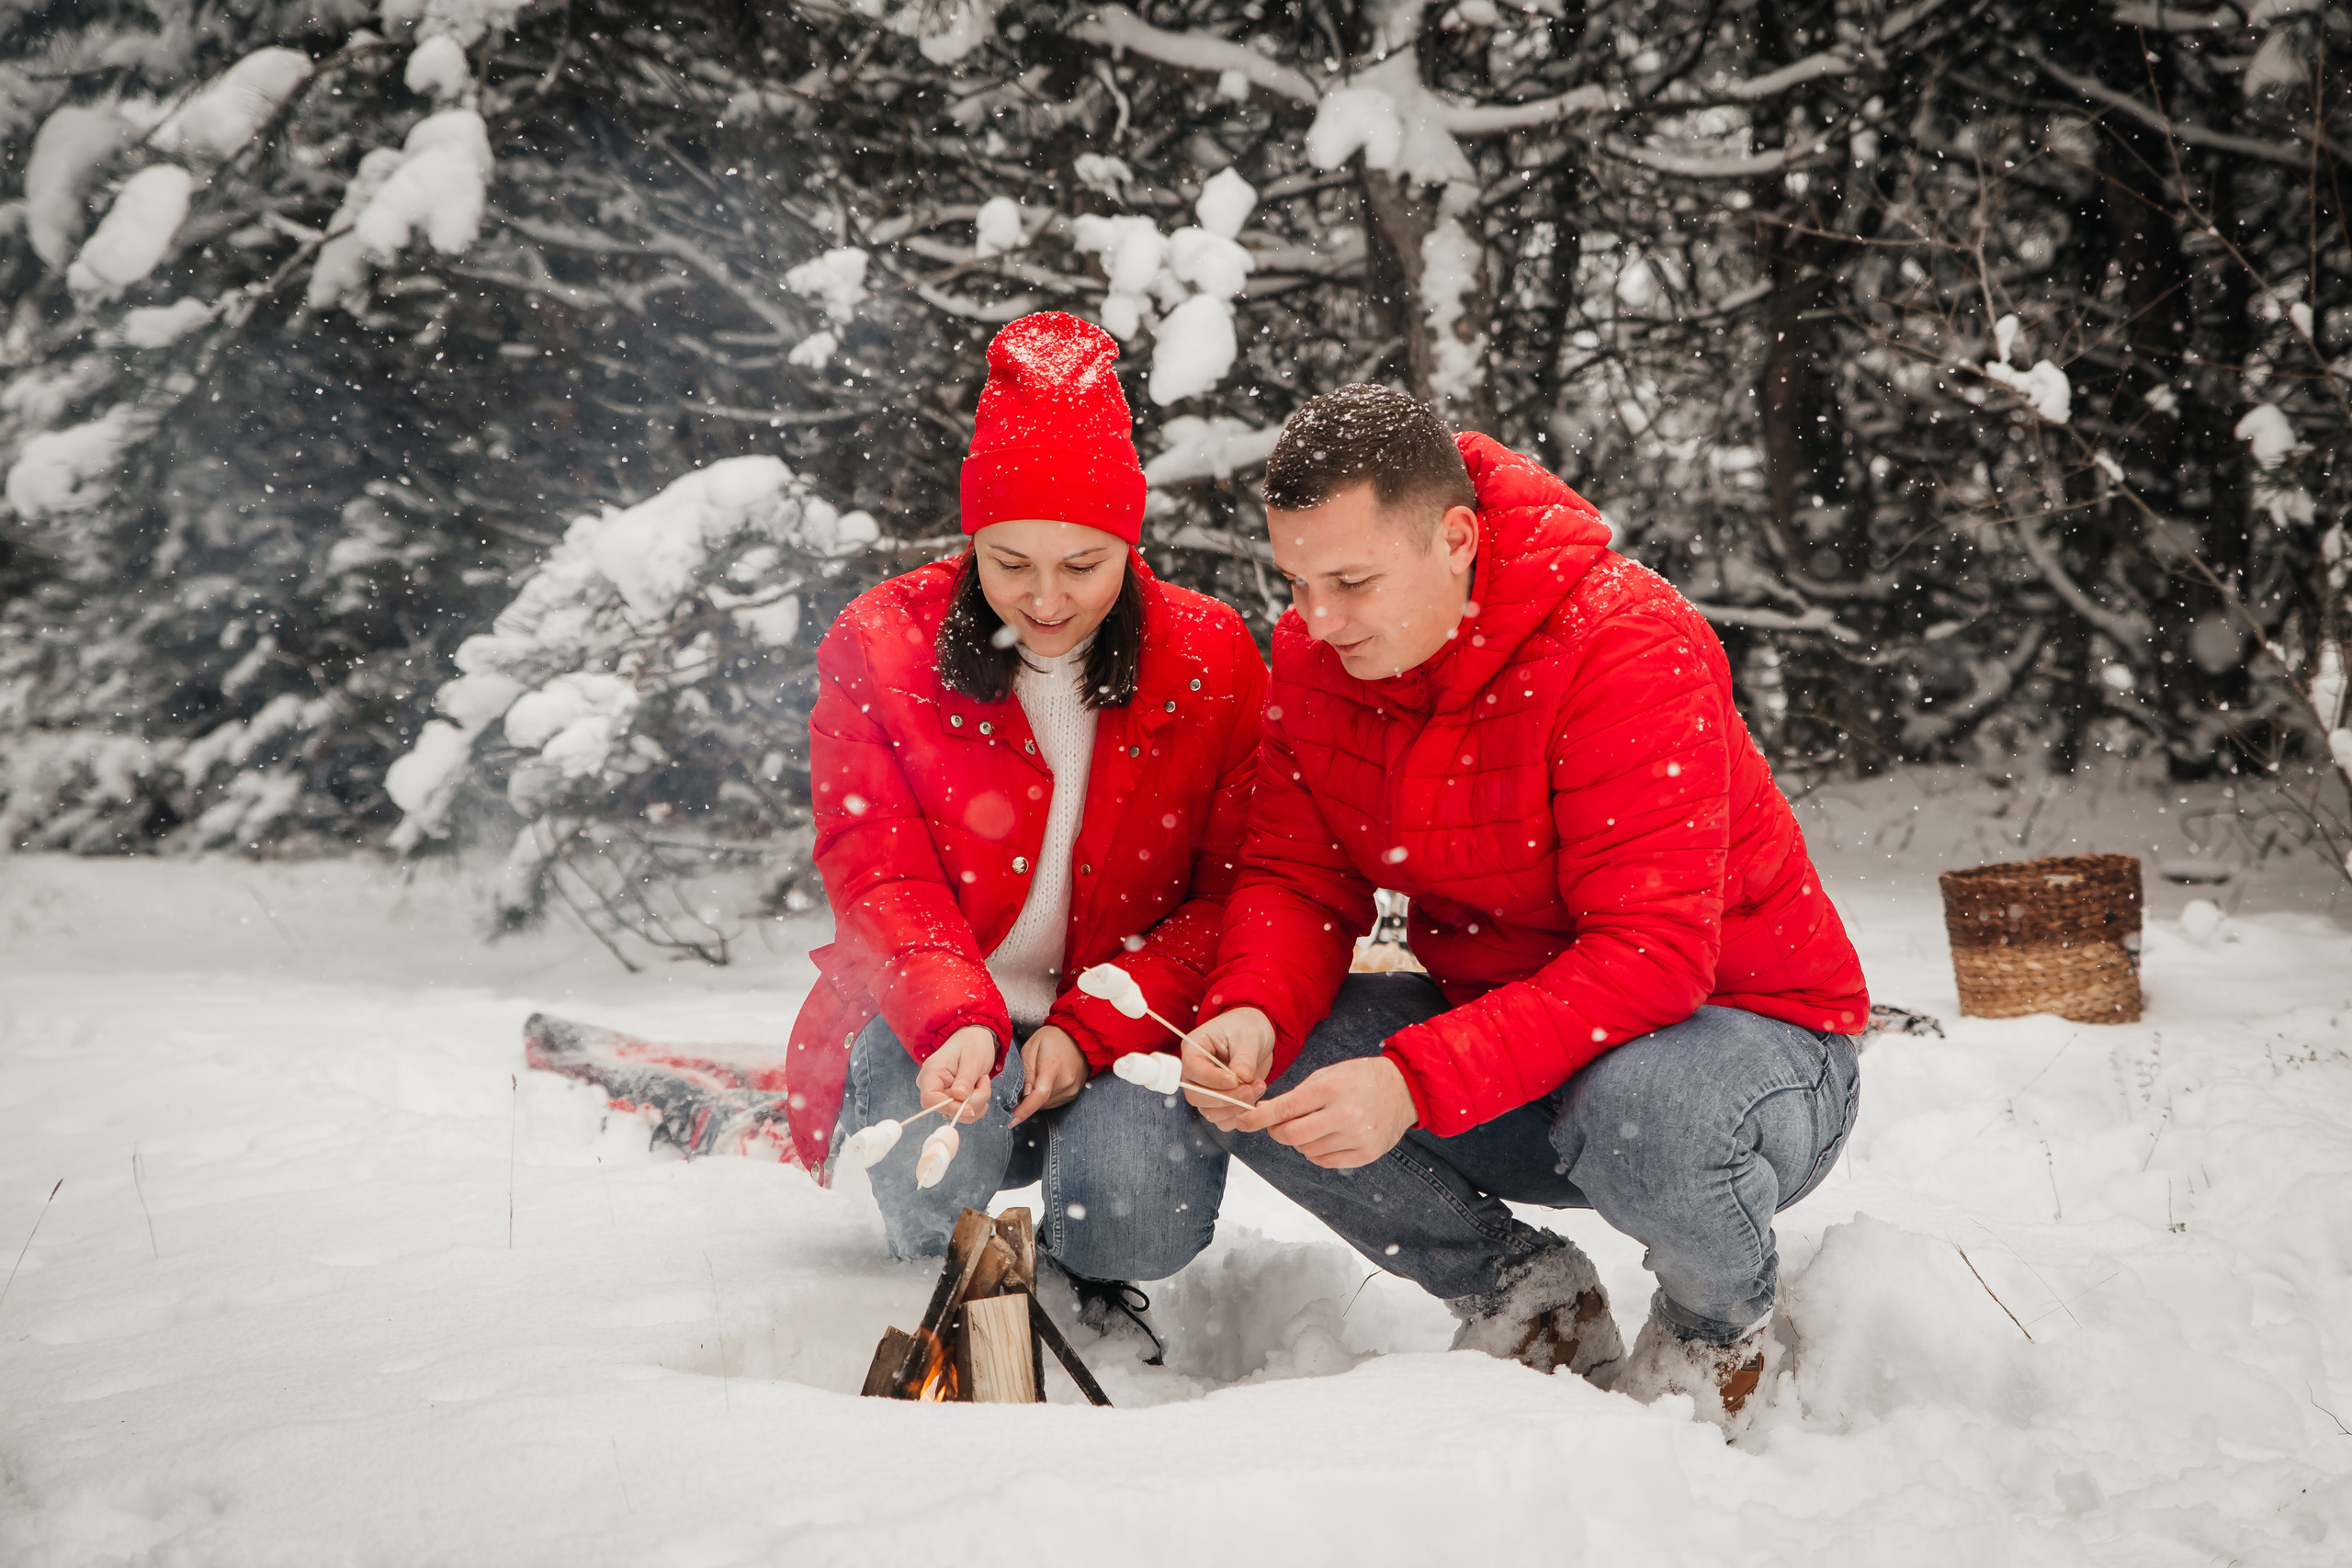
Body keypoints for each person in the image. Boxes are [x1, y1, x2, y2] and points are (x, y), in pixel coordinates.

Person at [1182, 386, 1869, 1426]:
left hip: (1744, 1054)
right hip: (1528, 1055)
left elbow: (1651, 957)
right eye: (1297, 582)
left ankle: (1716, 1329)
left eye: (1352, 582)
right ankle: (1527, 1295)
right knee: (1260, 1068)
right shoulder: (1320, 664)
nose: (1318, 620)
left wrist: (1414, 1079)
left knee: (1648, 1109)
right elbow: (1295, 877)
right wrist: (1251, 1009)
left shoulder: (1626, 644)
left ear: (1455, 538)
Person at [783, 312, 1266, 1327]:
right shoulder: (881, 643)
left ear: (1130, 542)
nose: (1046, 600)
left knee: (1136, 1219)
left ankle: (1088, 1252)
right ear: (972, 541)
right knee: (934, 1196)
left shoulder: (1212, 657)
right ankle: (960, 1252)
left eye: (1083, 565)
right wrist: (958, 1016)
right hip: (935, 1009)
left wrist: (1096, 1027)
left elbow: (1235, 893)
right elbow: (877, 870)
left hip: (1130, 1015)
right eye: (1009, 562)